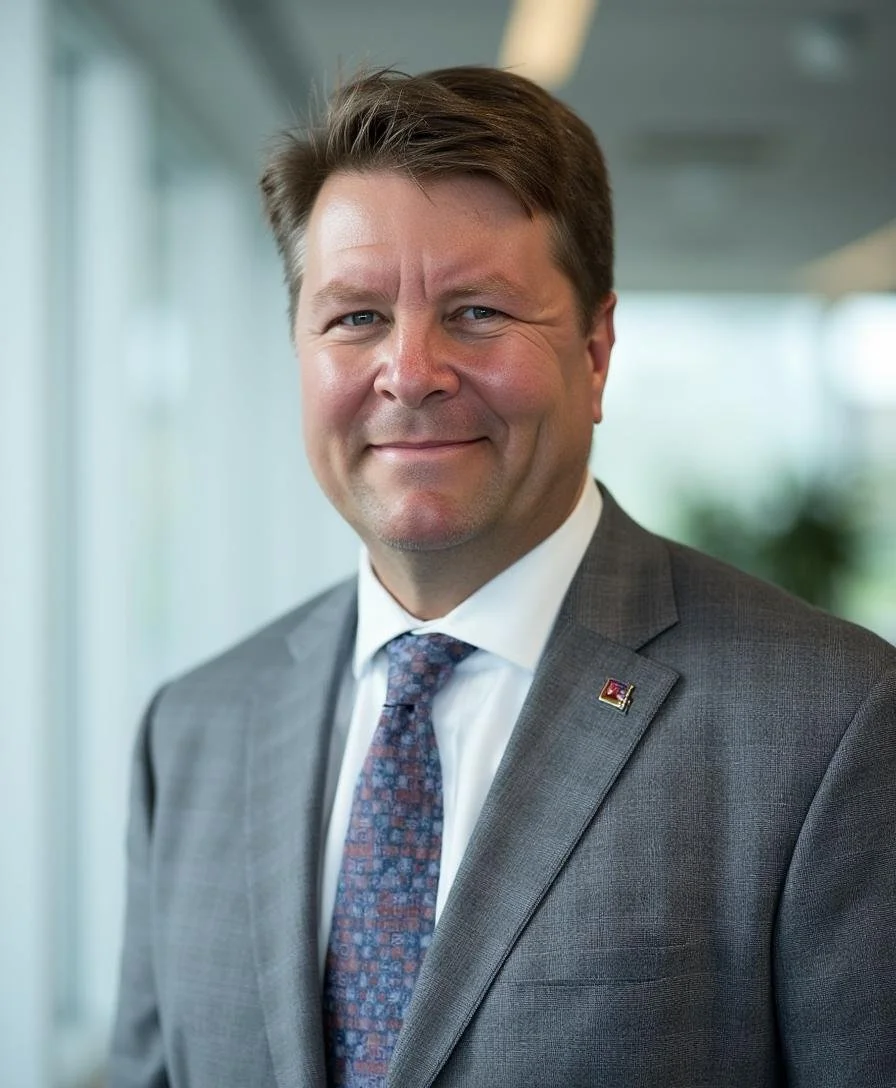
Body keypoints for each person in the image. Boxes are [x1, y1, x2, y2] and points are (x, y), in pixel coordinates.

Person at [109, 66, 896, 1088]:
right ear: (298, 351)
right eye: (353, 317)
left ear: (596, 349)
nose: (411, 370)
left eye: (476, 311)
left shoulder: (826, 721)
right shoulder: (193, 730)